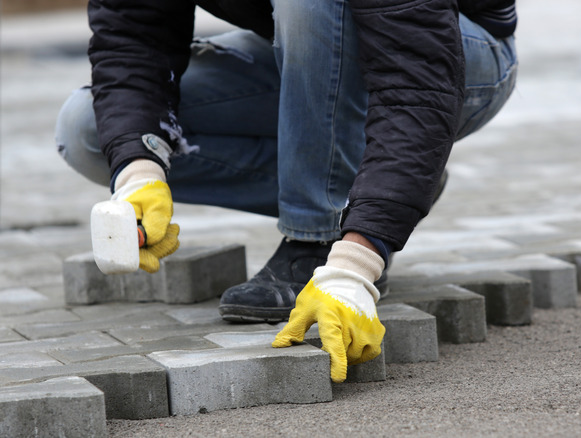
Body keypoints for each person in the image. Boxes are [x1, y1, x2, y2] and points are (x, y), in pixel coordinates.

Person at [56, 0, 517, 382]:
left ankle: (320, 233)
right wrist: (140, 173)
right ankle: (377, 182)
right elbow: (134, 38)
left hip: (457, 55)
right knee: (89, 132)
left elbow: (417, 82)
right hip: (313, 41)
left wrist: (358, 261)